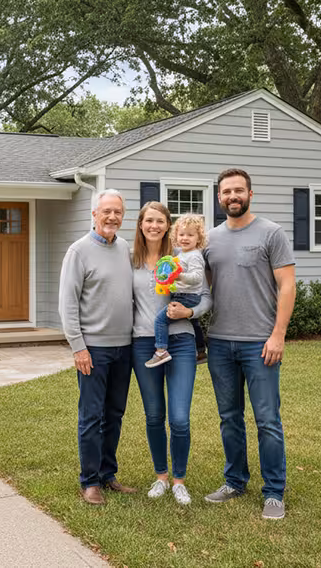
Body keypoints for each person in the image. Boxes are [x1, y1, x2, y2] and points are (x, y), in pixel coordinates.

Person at [203, 168, 296, 520]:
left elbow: (287, 285)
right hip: (220, 343)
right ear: (219, 198)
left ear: (250, 194)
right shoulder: (210, 239)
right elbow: (204, 288)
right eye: (226, 192)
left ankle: (274, 492)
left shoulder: (271, 233)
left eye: (238, 190)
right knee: (229, 418)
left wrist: (278, 335)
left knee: (267, 419)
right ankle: (235, 480)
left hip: (260, 343)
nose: (232, 196)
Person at [58, 189, 136, 505]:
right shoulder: (78, 252)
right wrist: (78, 347)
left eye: (117, 212)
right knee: (91, 415)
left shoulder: (126, 249)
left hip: (124, 348)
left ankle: (108, 474)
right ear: (94, 214)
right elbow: (67, 304)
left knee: (114, 414)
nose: (112, 217)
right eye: (106, 211)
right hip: (93, 349)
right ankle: (89, 481)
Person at [131, 202, 212, 505]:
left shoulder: (182, 257)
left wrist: (189, 311)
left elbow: (205, 297)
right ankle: (161, 477)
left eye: (160, 221)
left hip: (180, 342)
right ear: (141, 224)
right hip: (142, 344)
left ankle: (179, 480)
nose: (154, 226)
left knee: (179, 419)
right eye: (148, 220)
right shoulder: (131, 262)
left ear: (168, 226)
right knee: (154, 416)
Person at [147, 213, 207, 367]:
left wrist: (178, 276)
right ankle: (200, 351)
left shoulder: (194, 256)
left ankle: (161, 351)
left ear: (198, 238)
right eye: (181, 234)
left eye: (190, 235)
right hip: (184, 293)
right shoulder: (182, 254)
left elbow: (197, 277)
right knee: (194, 323)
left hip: (187, 297)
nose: (184, 238)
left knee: (161, 320)